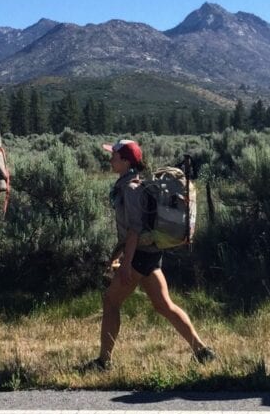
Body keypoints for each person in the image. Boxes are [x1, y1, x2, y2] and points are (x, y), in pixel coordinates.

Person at [83, 139, 214, 370]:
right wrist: (118, 255)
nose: (110, 160)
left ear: (126, 161)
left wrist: (126, 263)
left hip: (140, 256)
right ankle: (202, 352)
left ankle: (103, 362)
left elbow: (134, 229)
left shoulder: (131, 189)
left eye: (114, 156)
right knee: (164, 305)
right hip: (150, 254)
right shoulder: (134, 184)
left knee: (111, 301)